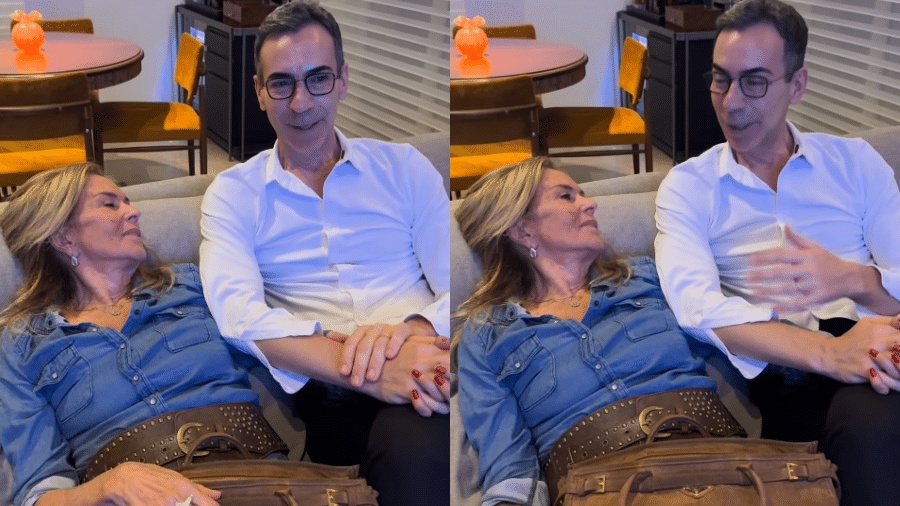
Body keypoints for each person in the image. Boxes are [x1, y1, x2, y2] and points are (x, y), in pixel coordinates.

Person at [197, 2, 450, 505]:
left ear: (343, 80)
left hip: (427, 358)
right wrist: (366, 368)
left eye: (318, 78)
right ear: (259, 91)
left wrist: (412, 332)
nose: (300, 102)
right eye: (281, 83)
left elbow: (457, 282)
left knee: (423, 452)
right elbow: (238, 315)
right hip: (330, 389)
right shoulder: (234, 194)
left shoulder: (405, 168)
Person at [653, 0, 900, 503]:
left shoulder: (855, 162)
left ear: (798, 84)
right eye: (721, 79)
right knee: (873, 429)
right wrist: (831, 353)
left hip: (882, 343)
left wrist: (851, 279)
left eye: (755, 82)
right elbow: (696, 307)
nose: (731, 102)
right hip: (795, 370)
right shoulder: (690, 187)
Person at [454, 157, 745, 506]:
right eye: (567, 196)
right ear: (522, 230)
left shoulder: (646, 276)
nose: (590, 203)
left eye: (582, 194)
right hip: (595, 491)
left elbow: (734, 330)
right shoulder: (486, 334)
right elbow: (509, 462)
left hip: (714, 464)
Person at [0, 163, 290, 506]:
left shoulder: (190, 283)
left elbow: (274, 339)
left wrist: (338, 347)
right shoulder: (21, 343)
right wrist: (108, 485)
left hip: (255, 478)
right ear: (64, 237)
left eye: (127, 201)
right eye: (110, 204)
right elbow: (39, 492)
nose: (134, 211)